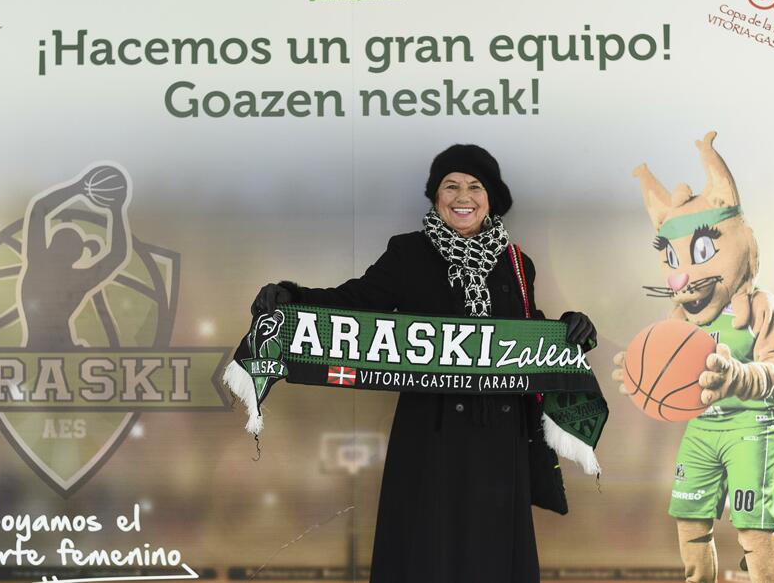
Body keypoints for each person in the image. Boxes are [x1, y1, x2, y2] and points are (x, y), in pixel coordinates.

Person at [251, 144, 596, 583]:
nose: (462, 195)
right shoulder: (409, 254)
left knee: (493, 556)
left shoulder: (517, 263)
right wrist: (292, 298)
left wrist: (569, 329)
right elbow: (353, 302)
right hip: (431, 435)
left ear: (491, 199)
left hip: (499, 438)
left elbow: (528, 332)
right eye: (450, 186)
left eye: (474, 186)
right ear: (436, 197)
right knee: (428, 552)